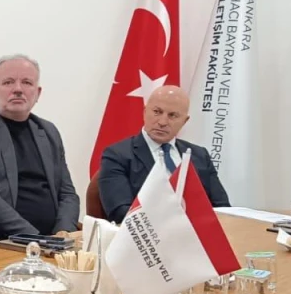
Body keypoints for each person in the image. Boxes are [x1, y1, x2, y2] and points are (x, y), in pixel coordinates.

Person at [0, 54, 80, 245]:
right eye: (8, 82)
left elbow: (67, 193)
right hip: (1, 241)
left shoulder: (48, 131)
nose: (18, 89)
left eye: (27, 82)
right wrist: (34, 238)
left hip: (51, 242)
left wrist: (64, 232)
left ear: (38, 93)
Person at [97, 85, 231, 223]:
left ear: (184, 121)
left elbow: (223, 208)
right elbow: (120, 213)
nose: (162, 122)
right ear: (145, 112)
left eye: (172, 115)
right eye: (157, 112)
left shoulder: (200, 156)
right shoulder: (117, 155)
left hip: (197, 232)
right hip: (148, 233)